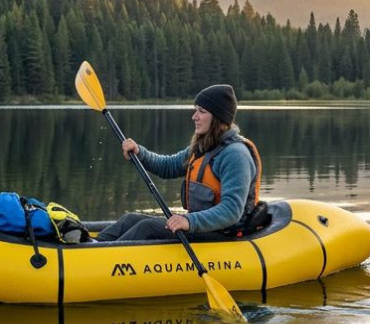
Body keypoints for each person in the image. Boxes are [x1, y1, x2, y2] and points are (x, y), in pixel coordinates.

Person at [95, 84, 263, 242]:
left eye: (201, 111)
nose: (194, 117)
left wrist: (188, 221)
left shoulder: (236, 155)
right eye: (195, 110)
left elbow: (231, 210)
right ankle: (91, 248)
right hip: (202, 227)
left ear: (217, 118)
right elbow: (168, 166)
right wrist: (140, 153)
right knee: (129, 219)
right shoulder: (203, 147)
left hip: (224, 233)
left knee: (147, 228)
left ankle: (99, 261)